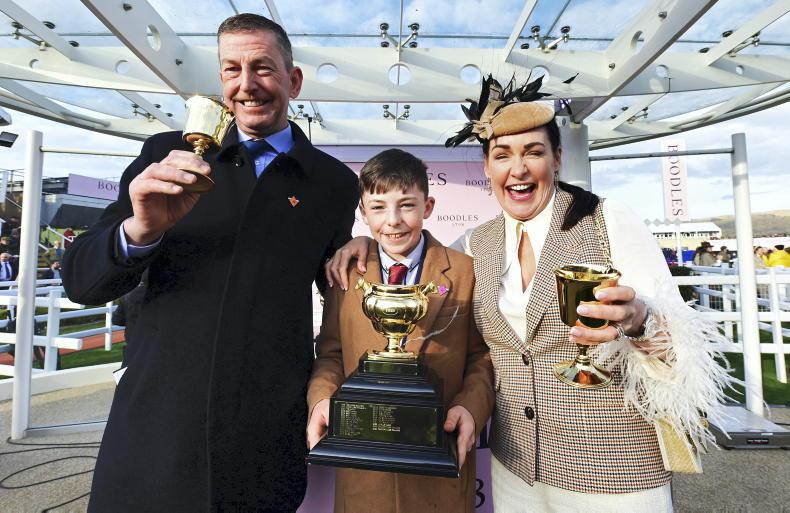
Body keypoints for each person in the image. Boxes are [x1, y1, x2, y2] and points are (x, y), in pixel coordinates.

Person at [326, 76, 732, 512]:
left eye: (533, 152)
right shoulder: (476, 244)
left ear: (556, 159)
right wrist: (364, 243)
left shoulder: (608, 220)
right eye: (502, 155)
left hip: (612, 465)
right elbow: (414, 251)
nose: (517, 169)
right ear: (487, 167)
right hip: (517, 468)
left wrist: (640, 321)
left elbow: (683, 348)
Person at [62, 13, 358, 512]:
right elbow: (81, 281)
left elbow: (338, 288)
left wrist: (367, 248)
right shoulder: (166, 156)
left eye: (263, 68)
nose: (247, 84)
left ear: (294, 80)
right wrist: (141, 228)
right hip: (157, 428)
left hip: (263, 437)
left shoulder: (332, 182)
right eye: (231, 70)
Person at [306, 149, 494, 513]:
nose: (392, 221)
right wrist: (322, 399)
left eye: (406, 205)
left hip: (439, 464)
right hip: (364, 471)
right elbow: (330, 354)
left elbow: (482, 356)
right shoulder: (345, 275)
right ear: (363, 213)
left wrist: (471, 408)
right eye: (378, 208)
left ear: (428, 206)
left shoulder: (466, 271)